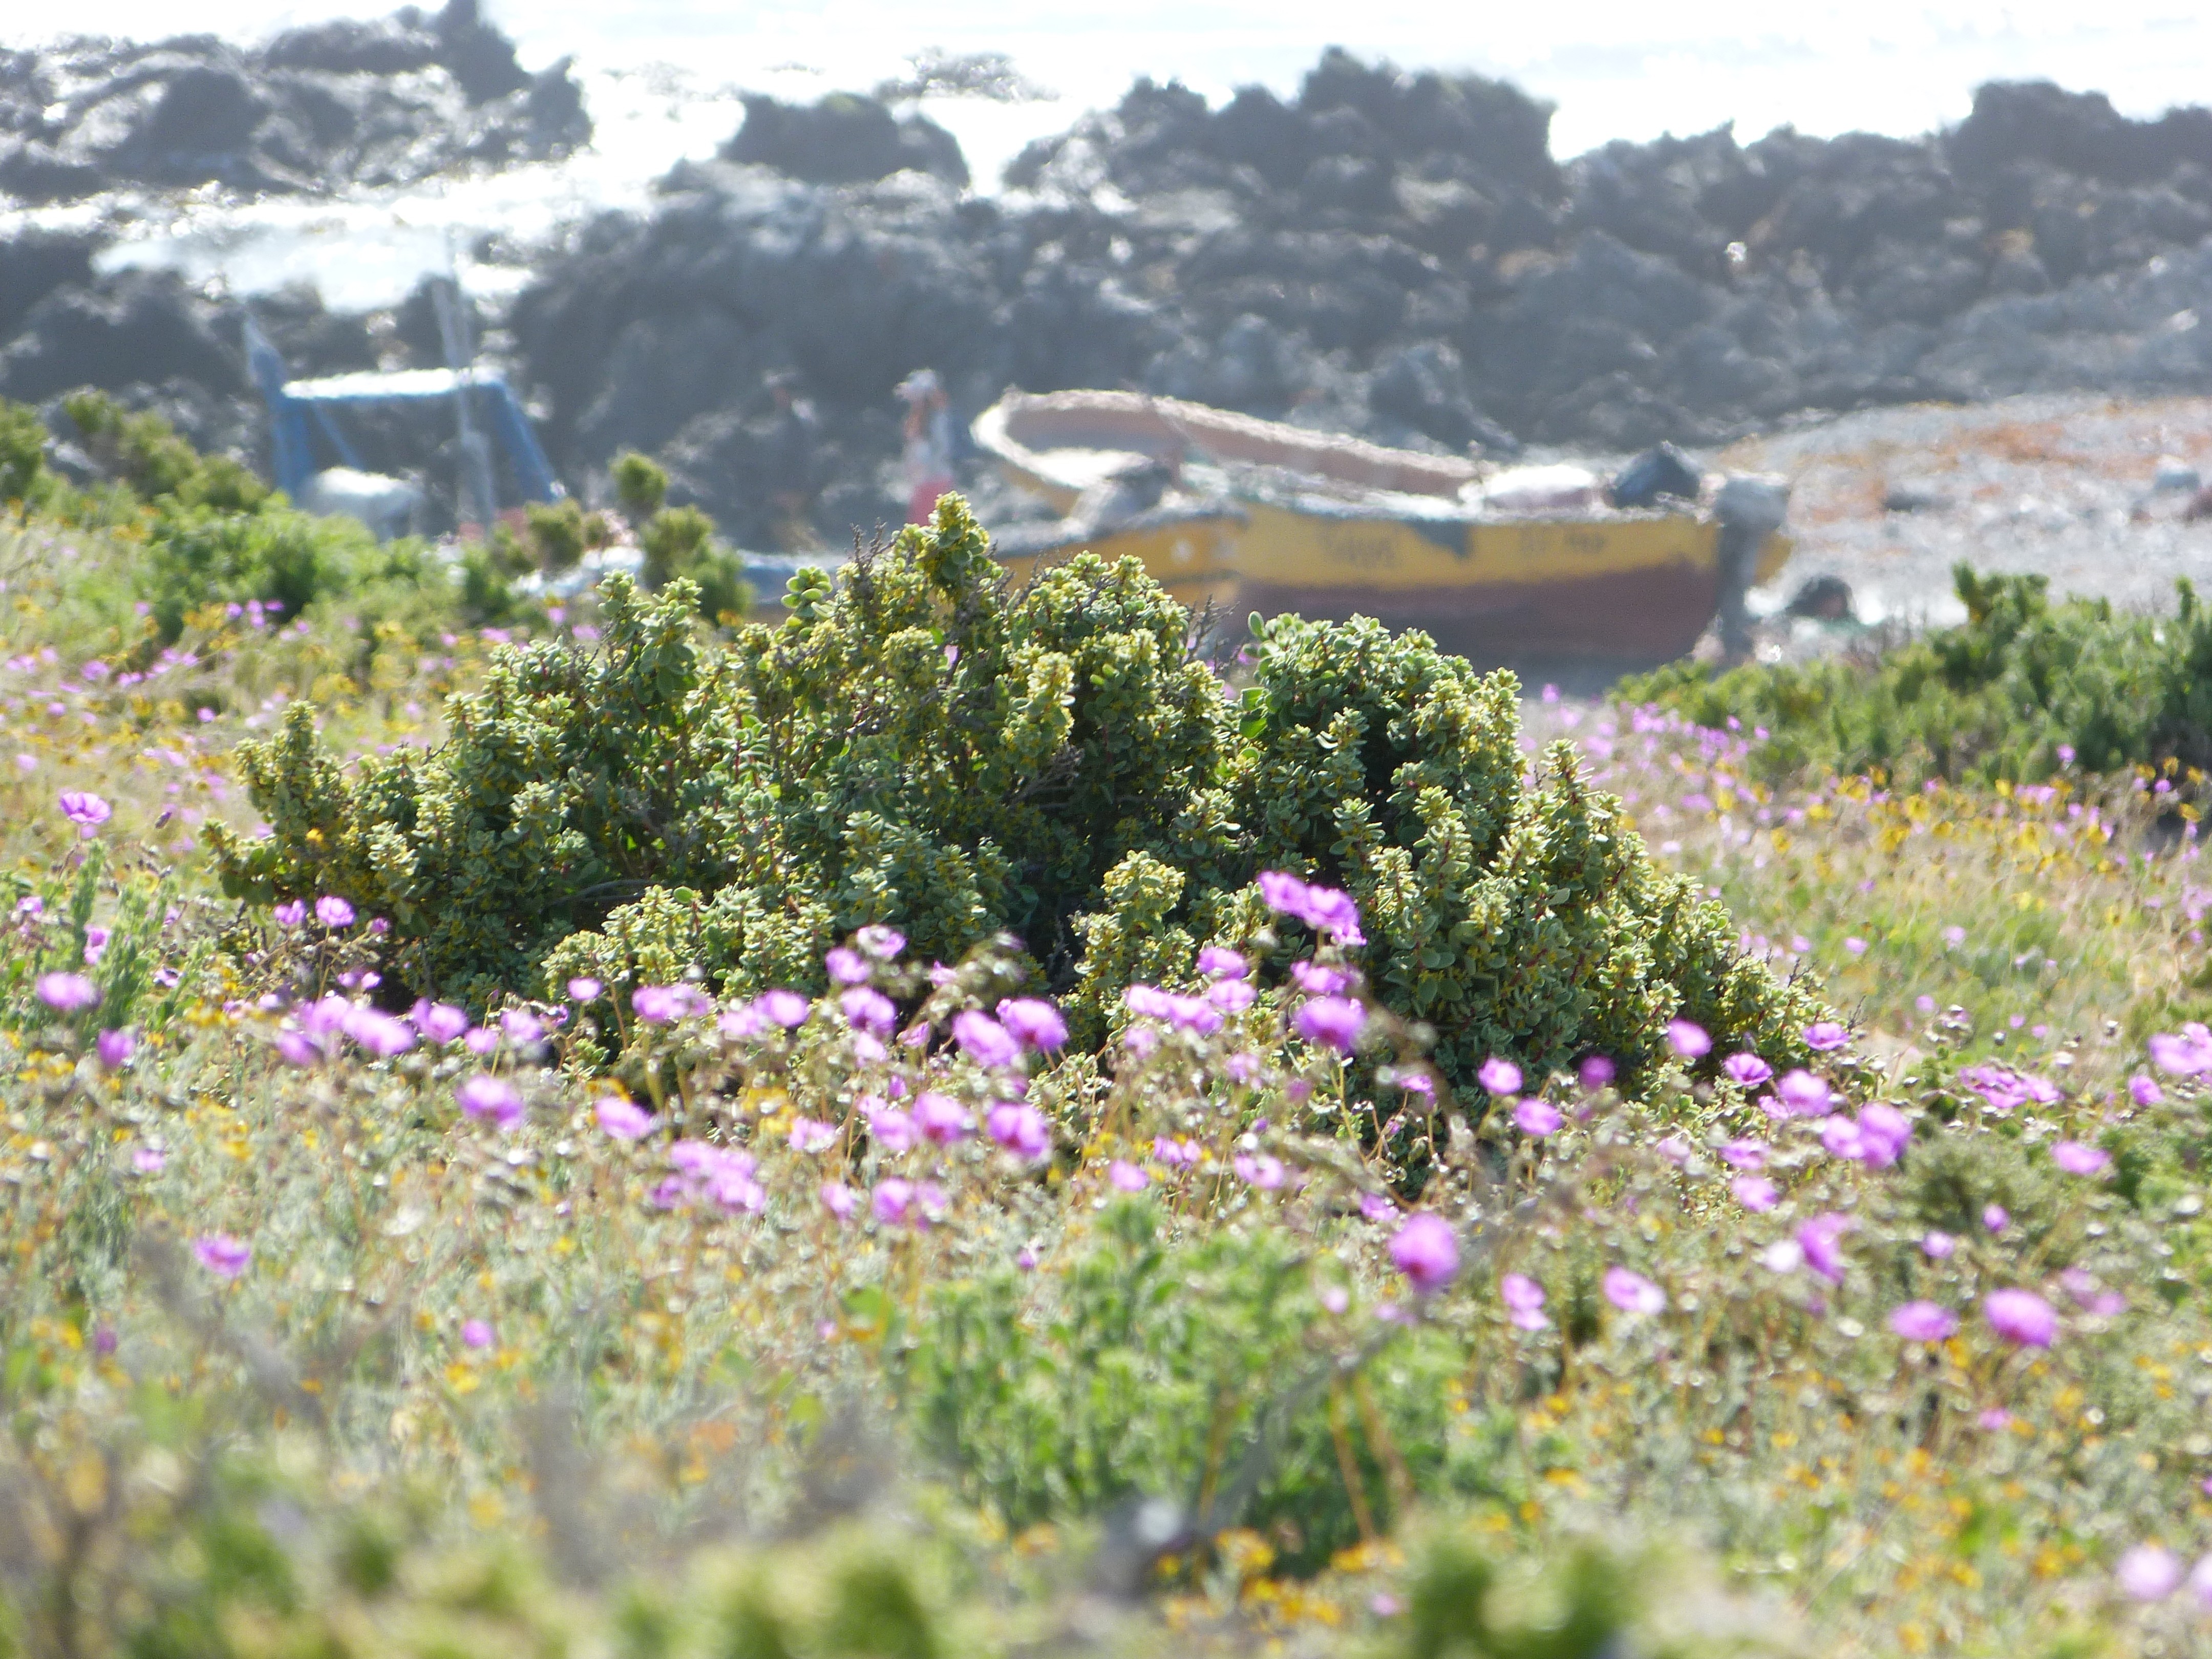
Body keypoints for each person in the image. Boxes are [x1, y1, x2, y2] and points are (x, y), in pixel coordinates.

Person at [898, 368, 955, 525]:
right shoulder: (925, 419)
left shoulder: (938, 421)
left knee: (929, 525)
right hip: (924, 482)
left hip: (933, 481)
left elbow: (934, 451)